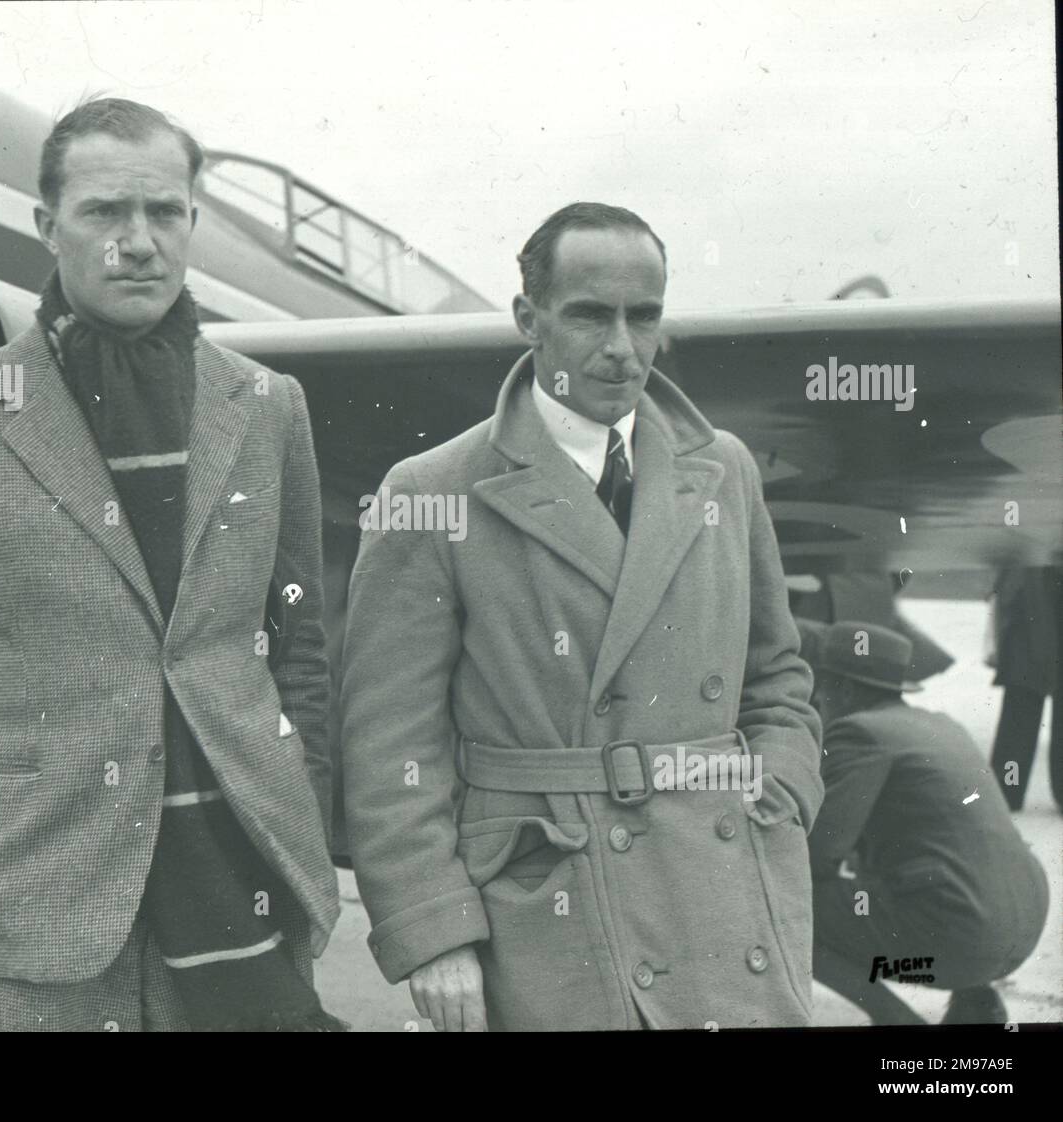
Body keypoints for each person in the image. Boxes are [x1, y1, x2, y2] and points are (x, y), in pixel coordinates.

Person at [0, 98, 342, 1031]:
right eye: (104, 213)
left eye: (165, 213)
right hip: (40, 937)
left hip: (245, 913)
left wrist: (297, 835)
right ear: (48, 227)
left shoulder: (269, 406)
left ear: (192, 222)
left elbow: (299, 652)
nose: (139, 241)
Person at [340, 202, 823, 1031]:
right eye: (591, 315)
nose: (623, 347)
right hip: (552, 894)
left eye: (646, 317)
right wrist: (434, 932)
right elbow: (391, 745)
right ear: (529, 319)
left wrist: (780, 793)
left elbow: (779, 676)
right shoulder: (432, 492)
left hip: (725, 882)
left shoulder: (724, 469)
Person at [804, 619, 1049, 1024]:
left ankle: (895, 1018)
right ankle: (975, 1003)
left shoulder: (860, 732)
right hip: (1022, 924)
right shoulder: (940, 725)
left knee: (782, 903)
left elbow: (817, 855)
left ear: (843, 688)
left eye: (821, 689)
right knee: (927, 864)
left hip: (964, 932)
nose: (817, 701)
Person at [988, 566, 1062, 812]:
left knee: (1022, 700)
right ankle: (1008, 789)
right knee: (1023, 694)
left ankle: (1008, 789)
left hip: (1030, 584)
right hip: (1033, 584)